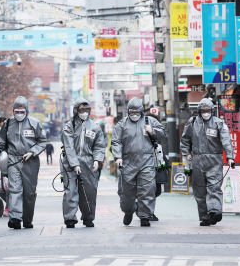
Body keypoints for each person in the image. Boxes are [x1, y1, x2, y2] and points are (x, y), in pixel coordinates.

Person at [112, 97, 166, 227]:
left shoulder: (150, 121)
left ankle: (145, 216)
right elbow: (116, 141)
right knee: (126, 193)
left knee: (147, 189)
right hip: (127, 162)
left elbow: (163, 134)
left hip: (146, 160)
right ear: (128, 112)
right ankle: (128, 211)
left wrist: (153, 131)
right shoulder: (122, 124)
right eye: (132, 112)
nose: (134, 115)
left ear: (141, 111)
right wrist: (118, 156)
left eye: (137, 112)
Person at [180, 98, 234, 226]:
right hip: (197, 159)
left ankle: (215, 211)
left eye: (208, 110)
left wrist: (230, 157)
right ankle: (205, 217)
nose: (206, 113)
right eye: (203, 110)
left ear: (212, 111)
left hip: (214, 159)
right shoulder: (192, 122)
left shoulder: (219, 123)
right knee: (199, 190)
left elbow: (226, 141)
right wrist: (187, 153)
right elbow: (185, 140)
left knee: (214, 186)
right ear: (199, 111)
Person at [0, 96, 48, 229]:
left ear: (27, 111)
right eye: (17, 111)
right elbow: (1, 142)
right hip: (14, 160)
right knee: (14, 189)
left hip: (30, 161)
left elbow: (42, 141)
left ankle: (27, 219)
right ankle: (15, 218)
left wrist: (32, 152)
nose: (19, 114)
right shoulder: (8, 124)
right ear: (13, 111)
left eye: (22, 111)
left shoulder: (35, 123)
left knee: (29, 192)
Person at [61, 98, 107, 228]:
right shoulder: (69, 126)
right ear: (76, 110)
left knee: (89, 191)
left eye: (87, 110)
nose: (84, 112)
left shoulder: (95, 127)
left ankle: (88, 217)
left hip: (88, 162)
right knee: (70, 191)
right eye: (82, 110)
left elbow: (99, 145)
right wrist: (74, 164)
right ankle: (70, 218)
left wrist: (97, 160)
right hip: (69, 163)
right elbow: (69, 146)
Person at [145, 112, 165, 222]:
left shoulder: (157, 132)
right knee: (149, 189)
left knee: (157, 191)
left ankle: (144, 208)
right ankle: (148, 212)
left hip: (158, 163)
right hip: (145, 164)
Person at [0, 116, 9, 217]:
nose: (1, 128)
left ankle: (8, 207)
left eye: (3, 126)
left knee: (9, 187)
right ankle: (9, 203)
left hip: (8, 164)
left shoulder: (9, 135)